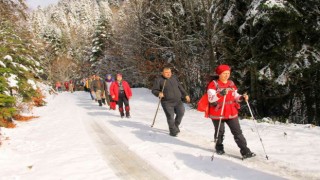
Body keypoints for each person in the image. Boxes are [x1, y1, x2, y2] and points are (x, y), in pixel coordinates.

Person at [207, 64, 255, 158]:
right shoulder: (213, 84)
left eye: (228, 73)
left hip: (231, 111)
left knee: (237, 132)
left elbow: (235, 95)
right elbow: (211, 99)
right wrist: (220, 94)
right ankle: (219, 147)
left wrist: (242, 97)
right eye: (224, 73)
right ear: (219, 74)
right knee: (220, 131)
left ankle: (245, 151)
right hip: (218, 111)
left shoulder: (231, 83)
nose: (226, 75)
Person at [152, 67, 190, 137]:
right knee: (170, 117)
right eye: (166, 72)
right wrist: (158, 93)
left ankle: (176, 125)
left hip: (178, 101)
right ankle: (173, 131)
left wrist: (186, 94)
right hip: (167, 102)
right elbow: (154, 90)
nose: (168, 74)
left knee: (181, 113)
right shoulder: (159, 80)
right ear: (162, 73)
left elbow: (180, 87)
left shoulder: (174, 78)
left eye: (169, 72)